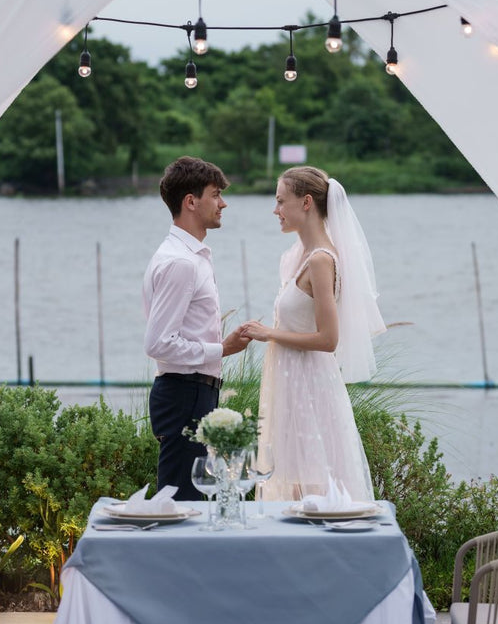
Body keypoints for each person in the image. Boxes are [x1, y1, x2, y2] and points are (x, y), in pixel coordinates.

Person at [238, 166, 385, 502]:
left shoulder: (321, 260)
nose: (275, 210)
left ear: (306, 203)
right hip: (290, 383)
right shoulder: (298, 256)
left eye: (280, 201)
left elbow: (328, 339)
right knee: (290, 481)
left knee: (314, 485)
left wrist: (268, 334)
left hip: (310, 387)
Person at [143, 157, 251, 500]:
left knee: (195, 507)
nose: (223, 203)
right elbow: (159, 343)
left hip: (192, 392)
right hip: (184, 393)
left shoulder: (191, 256)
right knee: (180, 510)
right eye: (216, 194)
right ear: (191, 201)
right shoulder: (181, 263)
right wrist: (222, 348)